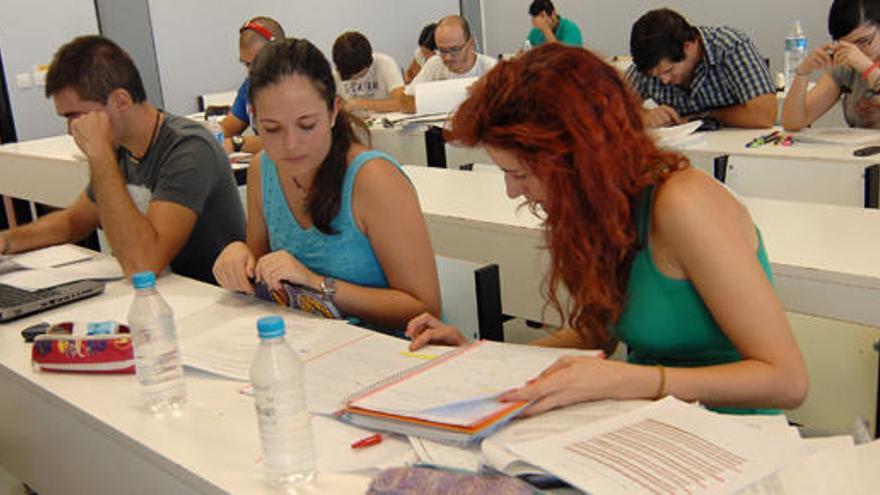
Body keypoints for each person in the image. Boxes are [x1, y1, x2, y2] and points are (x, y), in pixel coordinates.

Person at [406, 44, 808, 416]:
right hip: (653, 423)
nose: (512, 191)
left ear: (580, 160)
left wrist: (632, 380)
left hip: (733, 432)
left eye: (521, 174)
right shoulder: (600, 209)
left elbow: (787, 381)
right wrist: (485, 359)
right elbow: (597, 333)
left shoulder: (684, 206)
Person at [212, 38, 441, 331]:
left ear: (334, 111)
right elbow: (260, 270)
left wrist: (316, 284)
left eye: (307, 125)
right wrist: (238, 257)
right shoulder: (262, 168)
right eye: (272, 129)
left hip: (388, 350)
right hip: (308, 342)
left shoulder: (373, 179)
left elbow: (424, 307)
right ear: (255, 119)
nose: (291, 145)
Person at [0, 35, 246, 284]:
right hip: (162, 295)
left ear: (120, 100)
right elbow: (73, 222)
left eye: (76, 115)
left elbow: (143, 265)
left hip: (209, 299)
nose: (71, 129)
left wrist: (100, 156)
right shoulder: (120, 147)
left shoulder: (188, 148)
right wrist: (6, 241)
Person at [626, 8, 776, 129]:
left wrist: (707, 115)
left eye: (668, 71)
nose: (664, 80)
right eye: (656, 76)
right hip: (679, 152)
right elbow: (609, 111)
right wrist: (644, 116)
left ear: (688, 47)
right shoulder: (653, 60)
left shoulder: (729, 46)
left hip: (735, 152)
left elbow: (764, 115)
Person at [783, 0, 880, 130]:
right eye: (847, 45)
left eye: (863, 41)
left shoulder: (859, 62)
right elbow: (793, 123)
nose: (855, 52)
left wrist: (869, 69)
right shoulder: (846, 66)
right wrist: (803, 73)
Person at [402, 15, 497, 113]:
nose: (447, 57)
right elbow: (405, 100)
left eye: (454, 49)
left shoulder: (492, 70)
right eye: (442, 50)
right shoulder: (435, 64)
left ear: (471, 44)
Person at [219, 16, 285, 154]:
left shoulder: (296, 88)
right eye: (247, 64)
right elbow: (229, 127)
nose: (251, 72)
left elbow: (283, 140)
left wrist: (236, 143)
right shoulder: (250, 86)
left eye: (258, 62)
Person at [332, 31, 405, 113]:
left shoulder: (385, 63)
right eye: (348, 76)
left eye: (359, 75)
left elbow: (401, 103)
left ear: (369, 63)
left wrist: (360, 103)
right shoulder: (338, 71)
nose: (354, 79)